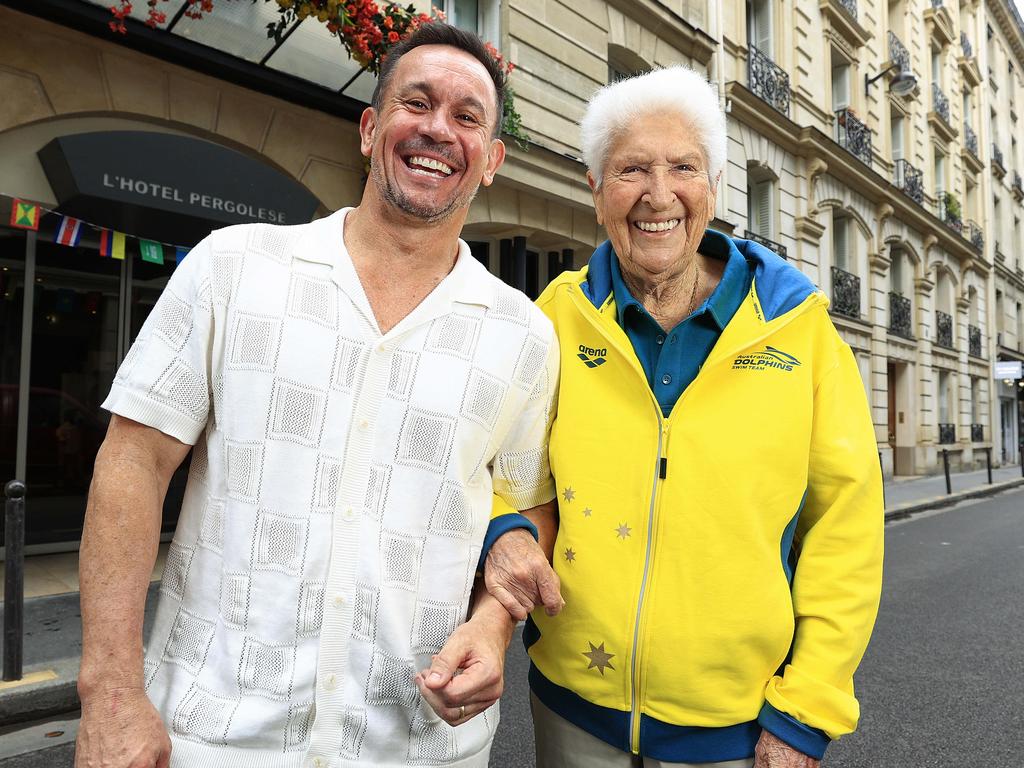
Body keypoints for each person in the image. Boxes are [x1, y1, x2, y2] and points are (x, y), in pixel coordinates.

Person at [74, 23, 560, 768]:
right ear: (370, 130)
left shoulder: (524, 335)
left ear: (491, 160)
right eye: (417, 103)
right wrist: (110, 694)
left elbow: (528, 507)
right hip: (213, 739)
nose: (437, 129)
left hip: (418, 747)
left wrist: (494, 625)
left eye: (467, 117)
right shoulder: (232, 269)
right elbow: (132, 462)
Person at [483, 65, 884, 768]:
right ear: (597, 190)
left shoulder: (801, 332)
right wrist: (504, 528)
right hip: (572, 709)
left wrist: (807, 711)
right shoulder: (555, 318)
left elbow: (845, 529)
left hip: (736, 731)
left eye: (683, 168)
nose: (658, 194)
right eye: (632, 168)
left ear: (715, 188)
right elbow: (493, 461)